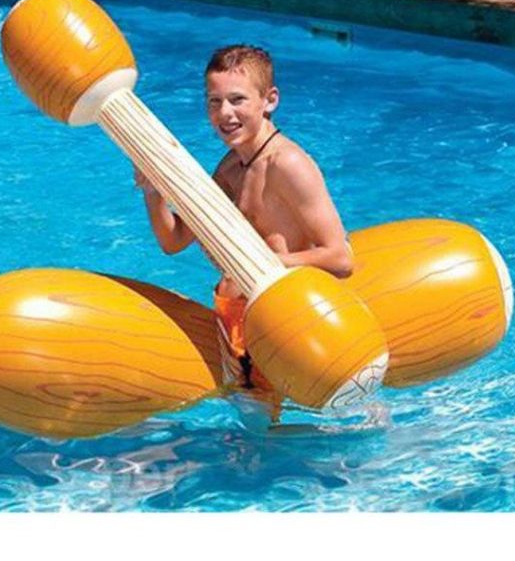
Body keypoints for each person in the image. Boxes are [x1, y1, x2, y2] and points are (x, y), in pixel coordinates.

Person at [134, 45, 353, 411]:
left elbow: (341, 258)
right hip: (239, 326)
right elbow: (173, 240)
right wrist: (153, 190)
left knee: (258, 446)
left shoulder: (288, 164)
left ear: (269, 100)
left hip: (283, 329)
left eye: (237, 100)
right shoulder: (230, 169)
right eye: (214, 101)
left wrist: (261, 264)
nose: (225, 113)